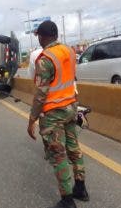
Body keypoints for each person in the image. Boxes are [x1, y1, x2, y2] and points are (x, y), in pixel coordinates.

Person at [27, 21, 89, 208]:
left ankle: (67, 200)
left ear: (43, 36)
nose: (38, 38)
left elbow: (41, 94)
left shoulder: (45, 58)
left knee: (58, 155)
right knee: (73, 147)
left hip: (54, 113)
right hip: (71, 107)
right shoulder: (69, 51)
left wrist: (32, 119)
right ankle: (81, 188)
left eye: (38, 35)